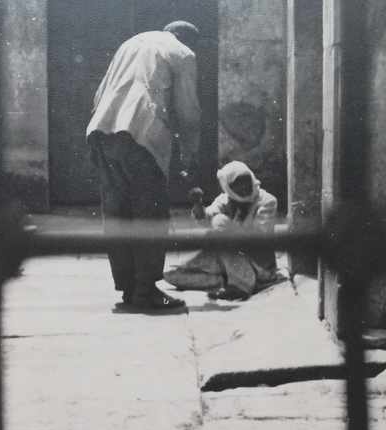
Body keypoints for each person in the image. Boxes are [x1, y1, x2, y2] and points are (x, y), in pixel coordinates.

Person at [86, 21, 202, 312]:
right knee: (150, 215)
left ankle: (128, 288)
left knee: (117, 214)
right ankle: (146, 292)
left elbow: (100, 92)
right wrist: (189, 154)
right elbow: (188, 112)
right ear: (187, 40)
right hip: (140, 134)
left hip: (102, 131)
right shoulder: (183, 53)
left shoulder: (131, 43)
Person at [164, 160, 282, 300]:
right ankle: (224, 281)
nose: (245, 188)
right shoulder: (226, 199)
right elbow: (207, 216)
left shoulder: (267, 201)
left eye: (246, 182)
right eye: (238, 185)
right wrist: (198, 205)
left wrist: (226, 229)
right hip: (227, 259)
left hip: (257, 264)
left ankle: (242, 285)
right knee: (172, 274)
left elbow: (258, 237)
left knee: (220, 222)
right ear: (228, 187)